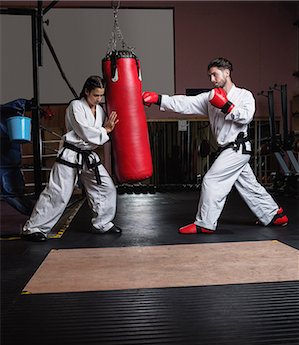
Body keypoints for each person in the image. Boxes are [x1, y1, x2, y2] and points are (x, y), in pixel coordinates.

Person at [142, 57, 288, 234]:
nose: (212, 80)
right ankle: (274, 214)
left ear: (227, 72)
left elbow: (246, 116)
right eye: (209, 76)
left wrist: (227, 106)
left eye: (215, 75)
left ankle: (205, 224)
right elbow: (185, 103)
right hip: (229, 150)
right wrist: (159, 99)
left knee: (211, 180)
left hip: (237, 148)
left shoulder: (244, 95)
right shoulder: (210, 98)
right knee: (249, 186)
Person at [22, 75, 121, 242]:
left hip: (88, 156)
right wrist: (105, 131)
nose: (99, 99)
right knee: (58, 193)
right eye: (95, 95)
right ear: (86, 91)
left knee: (106, 187)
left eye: (101, 95)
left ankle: (102, 223)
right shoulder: (75, 106)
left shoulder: (101, 111)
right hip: (71, 154)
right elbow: (85, 132)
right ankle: (33, 228)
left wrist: (105, 130)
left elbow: (94, 136)